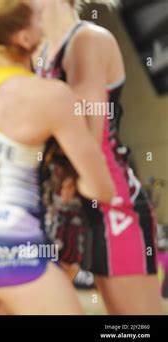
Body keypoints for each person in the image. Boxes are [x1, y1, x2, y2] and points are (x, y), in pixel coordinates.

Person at [0, 0, 115, 315]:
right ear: (23, 37)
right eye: (37, 15)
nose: (44, 16)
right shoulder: (51, 96)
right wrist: (73, 177)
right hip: (13, 247)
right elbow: (102, 188)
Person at [36, 0, 163, 314]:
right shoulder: (39, 51)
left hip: (109, 201)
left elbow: (88, 137)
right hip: (61, 195)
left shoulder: (87, 40)